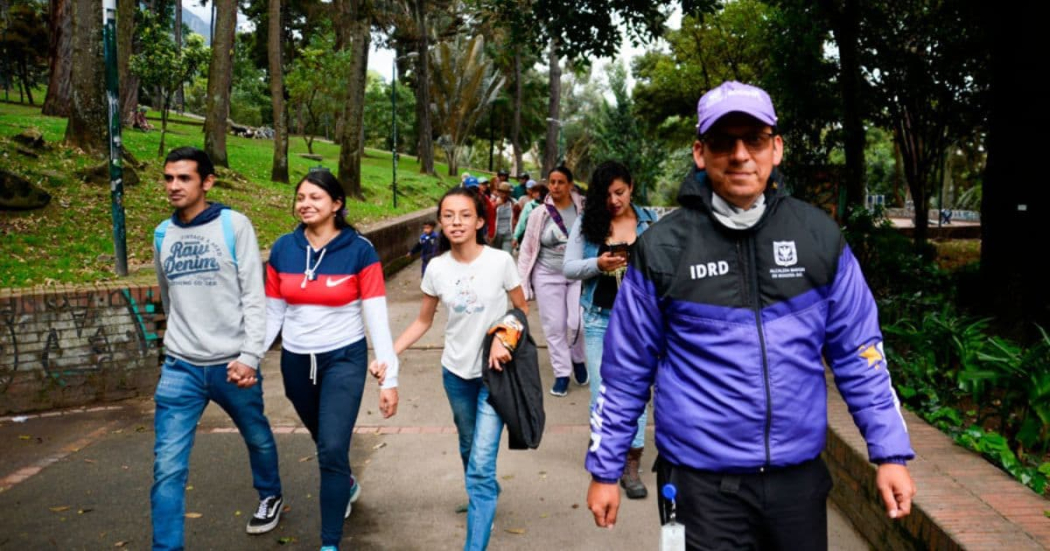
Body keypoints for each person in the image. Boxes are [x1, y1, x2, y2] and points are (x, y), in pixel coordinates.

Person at [585, 81, 916, 550]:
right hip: (699, 489)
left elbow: (860, 354)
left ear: (775, 148)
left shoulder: (818, 238)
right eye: (723, 142)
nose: (740, 155)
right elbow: (625, 371)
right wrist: (605, 468)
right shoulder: (663, 249)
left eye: (755, 140)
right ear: (701, 153)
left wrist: (890, 454)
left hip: (796, 485)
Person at [378, 186, 528, 551]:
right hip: (455, 374)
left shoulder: (500, 262)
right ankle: (483, 490)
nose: (456, 222)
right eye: (448, 215)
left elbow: (521, 311)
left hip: (495, 377)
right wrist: (390, 352)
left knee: (479, 464)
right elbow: (423, 321)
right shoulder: (438, 269)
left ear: (480, 221)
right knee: (467, 444)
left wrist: (503, 337)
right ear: (440, 222)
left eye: (464, 215)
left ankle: (475, 534)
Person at [151, 146, 283, 550]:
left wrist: (249, 356)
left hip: (232, 365)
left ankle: (270, 494)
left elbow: (253, 297)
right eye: (169, 178)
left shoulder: (233, 226)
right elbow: (167, 296)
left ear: (207, 182)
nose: (174, 186)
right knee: (167, 468)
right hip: (181, 368)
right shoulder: (162, 234)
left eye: (184, 178)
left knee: (257, 436)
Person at [264, 169, 400, 551]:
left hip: (344, 358)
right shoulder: (282, 248)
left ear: (337, 204)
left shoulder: (359, 250)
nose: (305, 204)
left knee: (332, 448)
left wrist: (389, 377)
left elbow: (375, 315)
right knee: (327, 442)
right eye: (300, 197)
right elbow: (273, 313)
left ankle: (329, 543)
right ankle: (346, 481)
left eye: (315, 198)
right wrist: (248, 355)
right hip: (295, 361)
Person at [563, 161, 658, 499]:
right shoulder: (588, 225)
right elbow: (569, 267)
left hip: (640, 324)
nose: (614, 200)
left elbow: (665, 268)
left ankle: (631, 462)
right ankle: (608, 454)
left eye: (620, 192)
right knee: (603, 393)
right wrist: (598, 265)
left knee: (636, 392)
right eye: (607, 195)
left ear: (631, 186)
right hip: (599, 319)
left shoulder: (650, 222)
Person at [517, 166, 587, 396]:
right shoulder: (539, 213)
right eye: (552, 182)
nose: (555, 186)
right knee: (554, 326)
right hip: (547, 274)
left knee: (577, 323)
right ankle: (562, 373)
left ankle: (577, 358)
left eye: (561, 182)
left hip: (577, 274)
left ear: (570, 185)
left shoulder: (583, 209)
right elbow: (527, 248)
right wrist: (522, 281)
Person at [512, 180, 547, 247]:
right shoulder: (529, 205)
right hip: (530, 237)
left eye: (536, 192)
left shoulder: (549, 205)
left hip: (543, 239)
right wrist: (516, 236)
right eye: (533, 192)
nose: (533, 194)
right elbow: (522, 222)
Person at [492, 182, 515, 253]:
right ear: (498, 192)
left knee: (507, 256)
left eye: (506, 193)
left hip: (508, 234)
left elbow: (517, 219)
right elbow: (487, 214)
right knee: (495, 258)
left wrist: (515, 236)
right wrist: (495, 205)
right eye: (502, 192)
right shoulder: (493, 201)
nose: (504, 195)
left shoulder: (513, 204)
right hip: (495, 235)